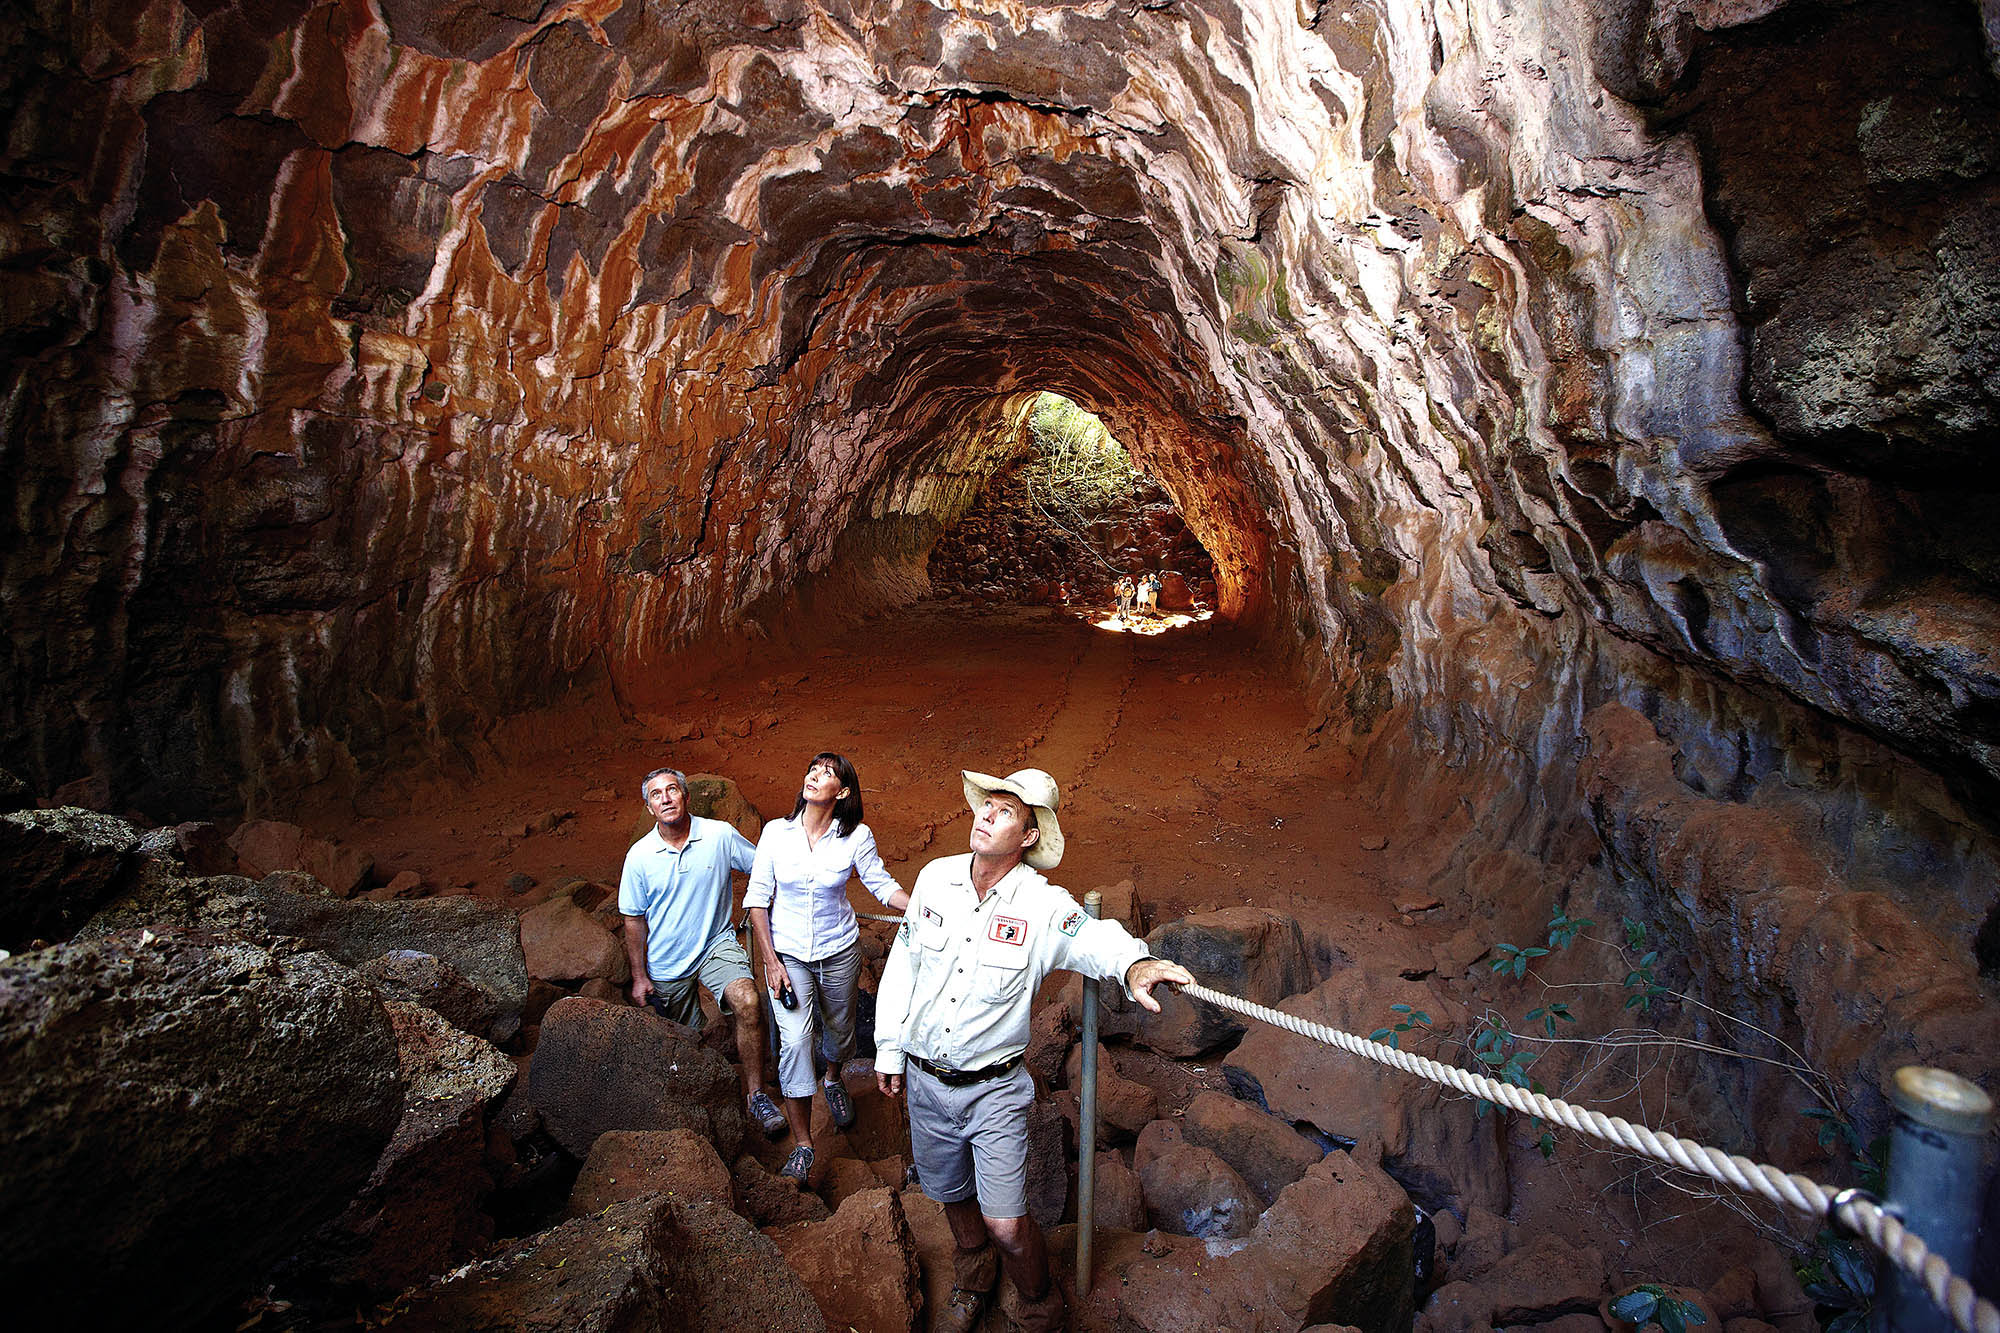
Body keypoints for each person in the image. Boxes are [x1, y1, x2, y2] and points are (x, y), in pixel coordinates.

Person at [873, 768, 1192, 1333]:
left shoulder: (1042, 905)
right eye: (986, 804)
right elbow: (905, 965)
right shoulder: (934, 879)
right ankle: (974, 1280)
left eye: (1005, 810)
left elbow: (1091, 937)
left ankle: (1041, 1305)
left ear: (1027, 835)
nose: (987, 814)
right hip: (924, 1082)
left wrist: (1135, 962)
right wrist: (888, 1051)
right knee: (950, 1195)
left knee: (1007, 1226)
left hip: (994, 1090)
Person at [745, 752, 910, 1183]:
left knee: (840, 1030)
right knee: (797, 1041)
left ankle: (834, 1078)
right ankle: (803, 1143)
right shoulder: (776, 834)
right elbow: (758, 900)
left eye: (827, 774)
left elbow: (879, 883)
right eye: (812, 770)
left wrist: (921, 908)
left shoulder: (855, 836)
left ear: (844, 791)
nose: (815, 777)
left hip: (839, 949)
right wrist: (771, 962)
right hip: (788, 954)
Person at [619, 766, 788, 1138]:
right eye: (656, 795)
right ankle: (705, 1109)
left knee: (747, 1001)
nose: (665, 798)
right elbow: (634, 920)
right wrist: (639, 976)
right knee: (687, 1041)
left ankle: (756, 1095)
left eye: (672, 790)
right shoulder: (640, 856)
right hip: (666, 960)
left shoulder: (719, 835)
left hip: (717, 943)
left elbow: (763, 869)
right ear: (649, 807)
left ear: (686, 796)